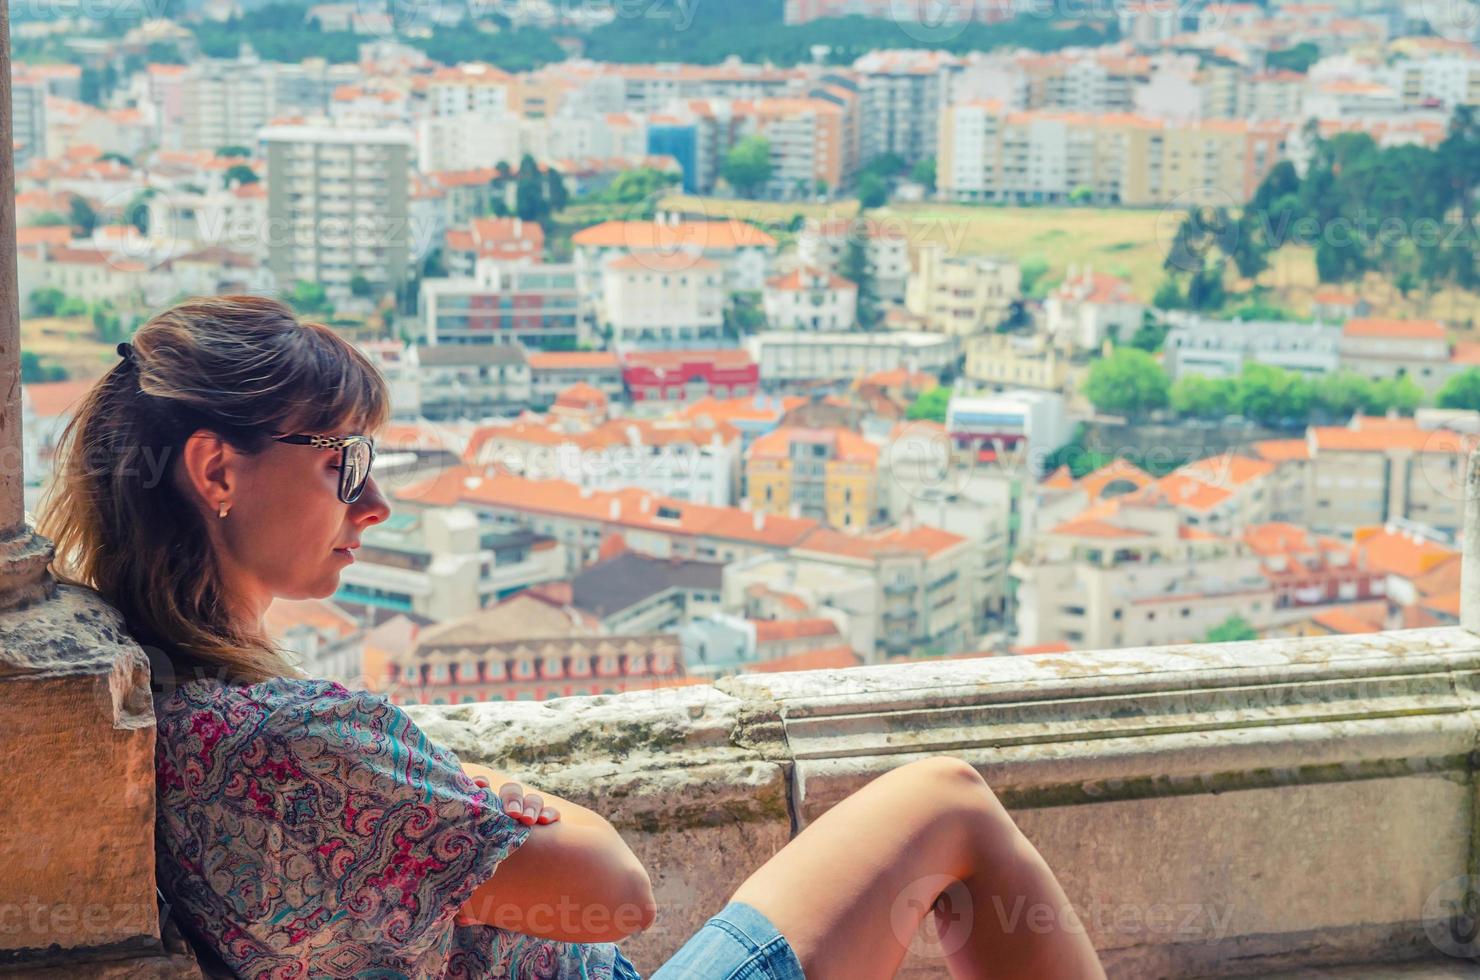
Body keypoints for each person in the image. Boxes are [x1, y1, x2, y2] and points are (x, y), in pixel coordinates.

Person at [36, 295, 1106, 980]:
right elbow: (613, 892)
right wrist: (477, 778)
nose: (377, 505)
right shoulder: (299, 736)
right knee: (944, 799)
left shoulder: (167, 710)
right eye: (343, 464)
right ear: (217, 472)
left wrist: (440, 780)